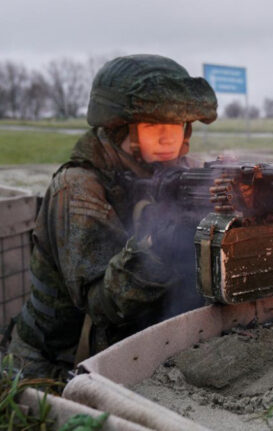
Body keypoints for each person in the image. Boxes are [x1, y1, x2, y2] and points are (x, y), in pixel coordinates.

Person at [6, 54, 218, 378]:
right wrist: (159, 247)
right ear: (120, 130)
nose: (167, 138)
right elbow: (104, 306)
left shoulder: (178, 175)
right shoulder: (77, 188)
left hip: (149, 341)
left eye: (175, 125)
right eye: (152, 125)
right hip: (60, 364)